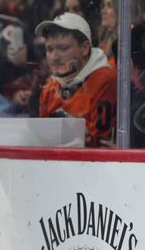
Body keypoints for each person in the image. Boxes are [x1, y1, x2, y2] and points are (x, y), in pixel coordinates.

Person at [35, 12, 116, 148]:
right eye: (49, 49)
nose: (54, 57)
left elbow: (99, 144)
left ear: (84, 48)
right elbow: (42, 142)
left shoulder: (105, 81)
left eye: (63, 48)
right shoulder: (49, 88)